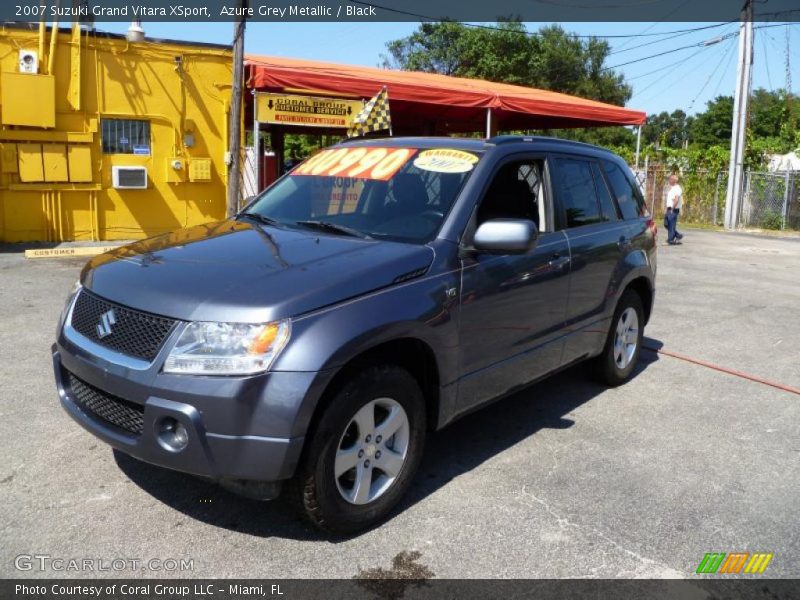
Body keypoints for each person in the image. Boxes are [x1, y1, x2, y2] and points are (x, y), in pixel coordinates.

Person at [665, 174, 684, 245]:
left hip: (673, 209)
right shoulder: (672, 188)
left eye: (670, 179)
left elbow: (676, 199)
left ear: (674, 180)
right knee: (666, 224)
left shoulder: (677, 189)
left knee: (671, 224)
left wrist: (672, 209)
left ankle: (670, 240)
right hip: (669, 208)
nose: (669, 181)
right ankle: (678, 235)